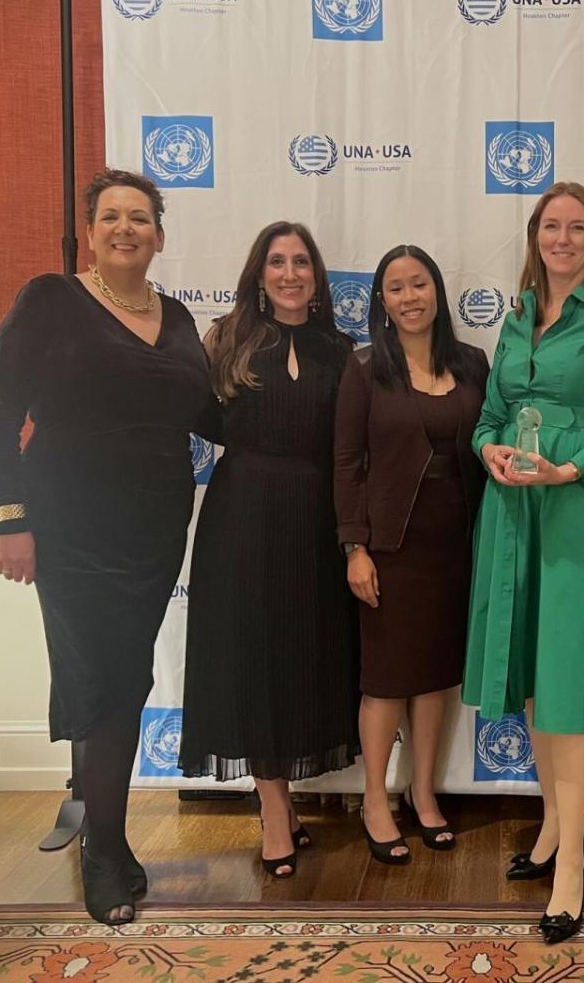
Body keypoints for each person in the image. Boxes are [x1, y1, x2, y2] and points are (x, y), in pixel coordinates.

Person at [0, 168, 210, 925]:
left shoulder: (175, 318)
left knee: (124, 674)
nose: (125, 229)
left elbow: (210, 412)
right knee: (106, 678)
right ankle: (104, 849)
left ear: (160, 236)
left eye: (139, 218)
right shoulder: (50, 300)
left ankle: (100, 824)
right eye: (111, 217)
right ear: (90, 230)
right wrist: (9, 520)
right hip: (72, 526)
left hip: (153, 529)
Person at [464, 181, 584, 943]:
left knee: (569, 690)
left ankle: (572, 862)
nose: (564, 238)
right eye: (552, 225)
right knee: (538, 683)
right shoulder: (513, 324)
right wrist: (490, 449)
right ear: (535, 235)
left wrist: (569, 470)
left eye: (578, 227)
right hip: (514, 517)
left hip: (578, 518)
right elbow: (485, 418)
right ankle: (549, 827)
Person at [178, 221, 360, 878]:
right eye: (277, 262)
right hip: (242, 519)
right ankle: (274, 810)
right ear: (259, 274)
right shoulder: (223, 340)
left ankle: (288, 799)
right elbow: (193, 418)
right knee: (252, 657)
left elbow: (350, 445)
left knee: (303, 656)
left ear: (316, 277)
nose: (290, 273)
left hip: (315, 520)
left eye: (301, 262)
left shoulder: (340, 350)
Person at [334, 245, 489, 864]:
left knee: (435, 680)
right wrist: (355, 547)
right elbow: (346, 462)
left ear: (437, 290)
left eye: (418, 283)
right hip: (390, 546)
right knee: (387, 680)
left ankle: (423, 794)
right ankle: (376, 799)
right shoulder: (365, 368)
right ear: (381, 301)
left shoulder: (473, 362)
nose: (409, 297)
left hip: (458, 544)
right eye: (395, 288)